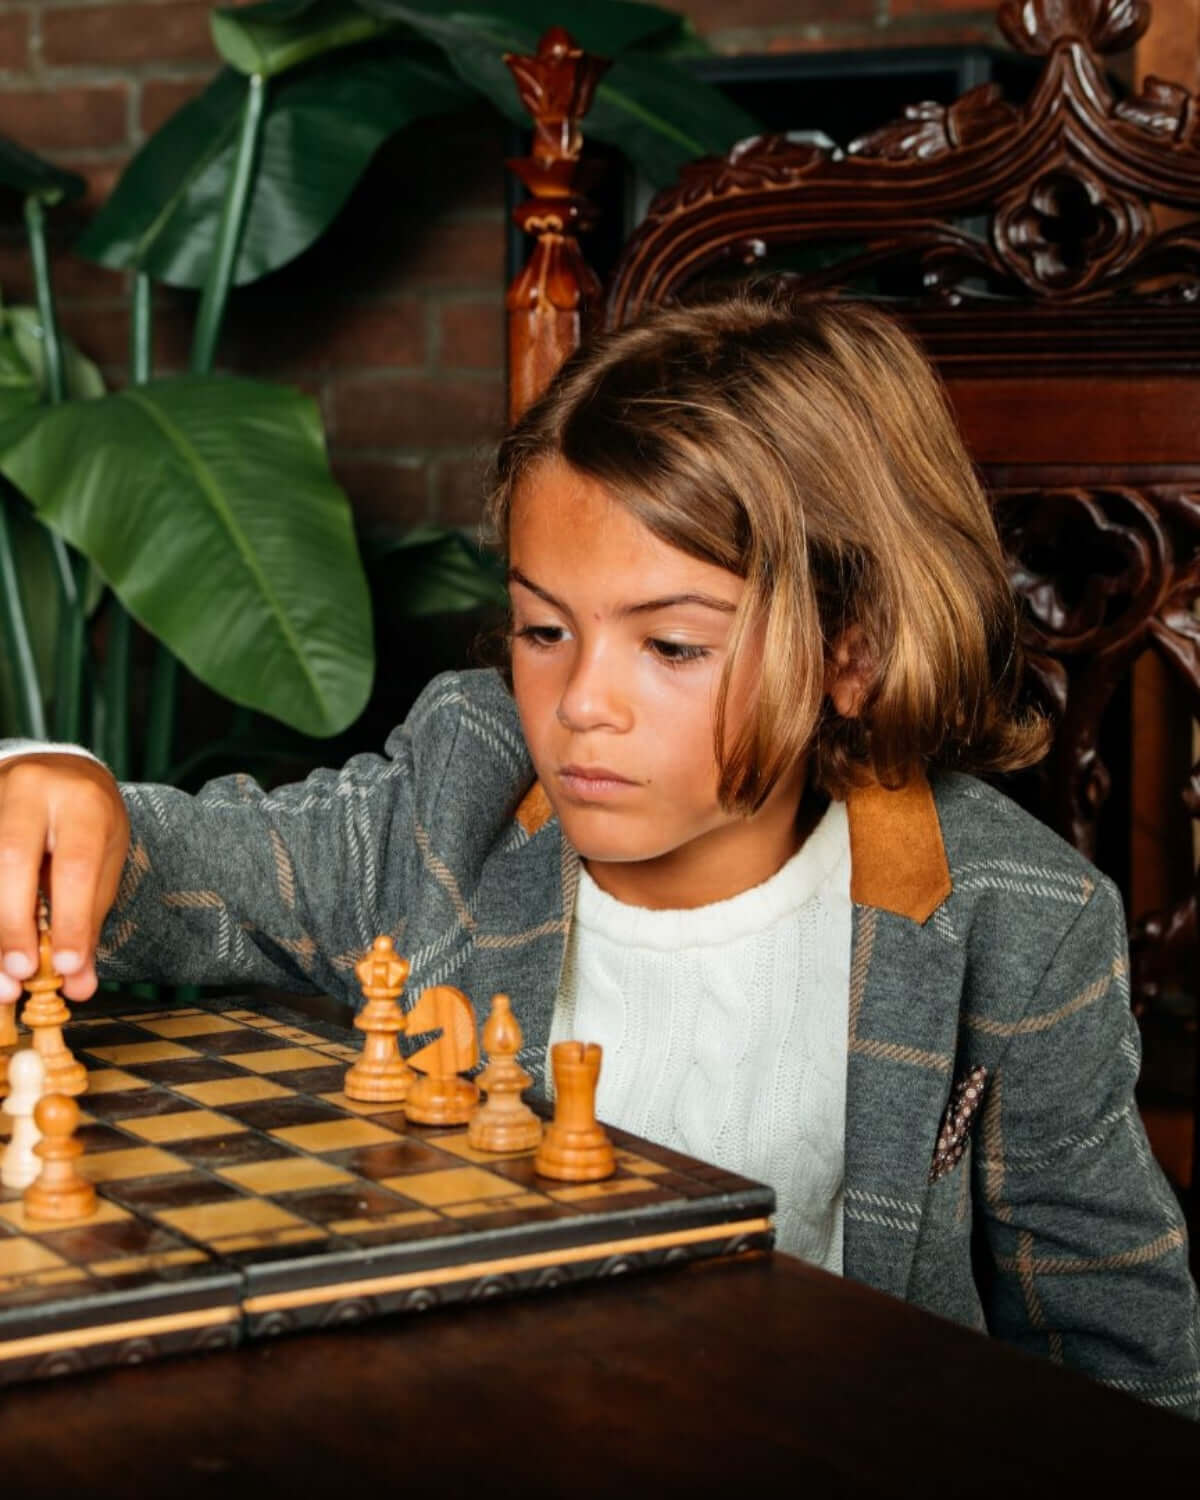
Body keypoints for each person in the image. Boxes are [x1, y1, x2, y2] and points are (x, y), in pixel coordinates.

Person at [0, 287, 1196, 1415]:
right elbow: (177, 867)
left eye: (671, 646)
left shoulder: (1016, 921)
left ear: (854, 652)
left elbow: (1120, 1345)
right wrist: (58, 794)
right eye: (542, 628)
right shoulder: (459, 802)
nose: (581, 705)